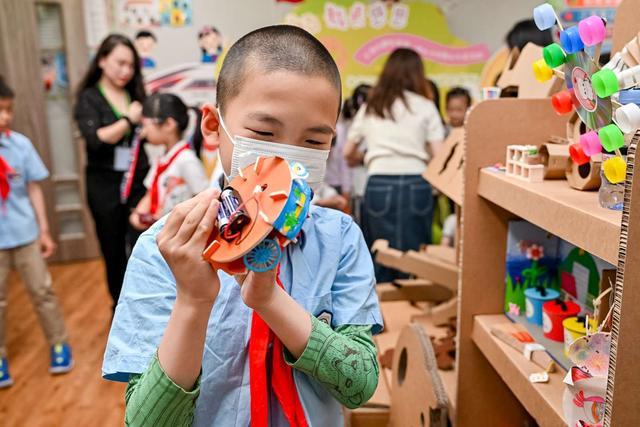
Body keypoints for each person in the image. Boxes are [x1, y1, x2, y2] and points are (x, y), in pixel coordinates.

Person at [103, 25, 382, 426]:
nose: (286, 158)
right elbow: (147, 423)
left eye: (314, 141)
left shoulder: (340, 238)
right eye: (265, 134)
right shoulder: (163, 248)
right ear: (213, 127)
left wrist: (269, 301)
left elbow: (359, 386)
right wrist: (193, 301)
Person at [344, 48, 445, 283]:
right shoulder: (425, 106)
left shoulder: (371, 106)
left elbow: (348, 151)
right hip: (417, 183)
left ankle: (382, 313)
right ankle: (413, 311)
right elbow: (439, 156)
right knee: (416, 255)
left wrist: (366, 157)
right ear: (418, 74)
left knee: (380, 252)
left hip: (379, 183)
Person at [0, 77, 73, 388]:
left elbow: (33, 190)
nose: (6, 116)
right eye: (0, 110)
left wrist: (44, 230)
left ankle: (59, 343)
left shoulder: (20, 145)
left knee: (43, 292)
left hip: (25, 233)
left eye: (8, 110)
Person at [74, 34, 149, 310]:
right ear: (102, 60)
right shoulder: (89, 97)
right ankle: (119, 309)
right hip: (104, 186)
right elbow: (96, 138)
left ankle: (144, 306)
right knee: (113, 249)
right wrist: (129, 118)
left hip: (138, 181)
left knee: (143, 244)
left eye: (131, 66)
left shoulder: (136, 93)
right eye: (120, 63)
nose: (126, 71)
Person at [130, 93, 208, 230]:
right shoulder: (161, 158)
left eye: (145, 125)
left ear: (168, 124)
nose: (143, 131)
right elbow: (150, 193)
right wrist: (138, 214)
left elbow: (204, 198)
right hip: (159, 230)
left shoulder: (186, 160)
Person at [338, 84, 371, 223]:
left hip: (367, 184)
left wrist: (363, 157)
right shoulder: (347, 126)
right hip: (356, 185)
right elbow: (347, 158)